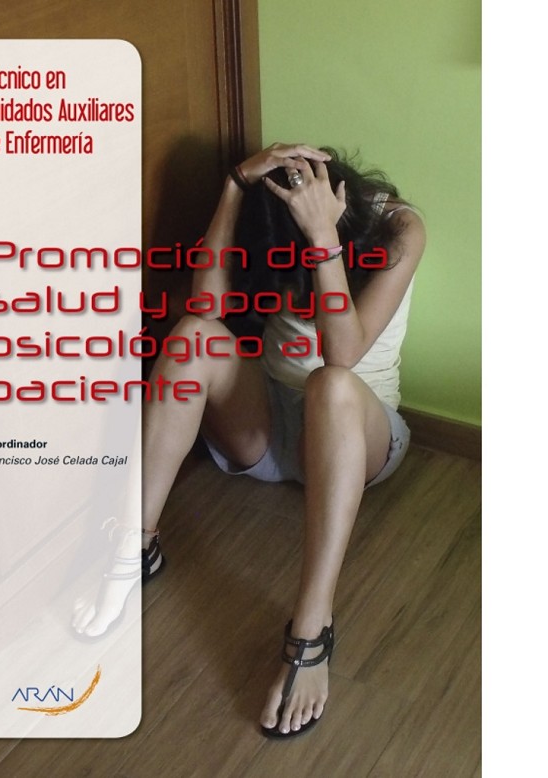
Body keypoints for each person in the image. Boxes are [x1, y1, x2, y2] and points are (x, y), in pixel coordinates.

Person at [72, 143, 426, 738]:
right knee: (193, 336)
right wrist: (235, 186)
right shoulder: (262, 216)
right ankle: (134, 547)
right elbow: (206, 307)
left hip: (356, 435)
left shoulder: (400, 227)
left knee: (332, 384)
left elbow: (342, 353)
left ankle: (311, 628)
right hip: (269, 426)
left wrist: (322, 238)